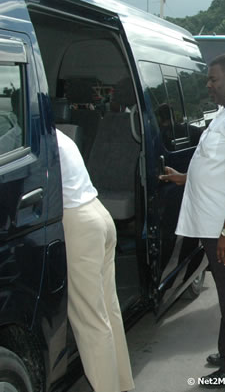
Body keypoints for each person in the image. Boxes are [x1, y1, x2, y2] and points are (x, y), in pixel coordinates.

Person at [159, 54, 225, 386]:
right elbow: (218, 166)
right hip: (216, 223)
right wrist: (184, 177)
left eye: (213, 80)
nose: (209, 85)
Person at [57, 129, 134, 392]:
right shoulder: (59, 136)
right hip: (98, 213)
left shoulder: (31, 137)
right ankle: (121, 383)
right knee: (108, 311)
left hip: (78, 223)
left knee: (89, 320)